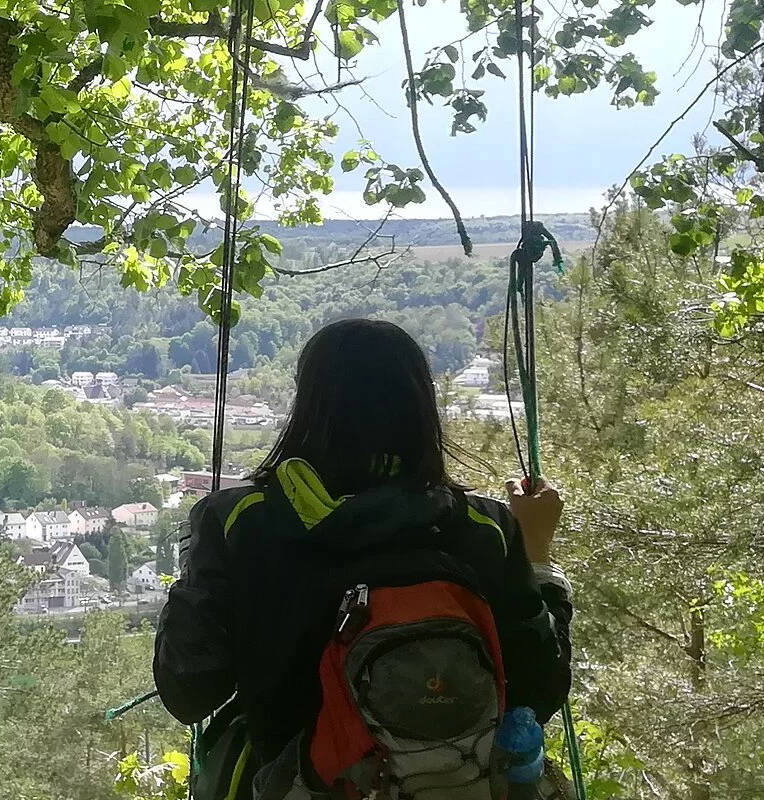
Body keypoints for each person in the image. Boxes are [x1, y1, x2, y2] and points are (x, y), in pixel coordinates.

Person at [153, 318, 573, 798]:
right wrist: (538, 554)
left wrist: (195, 573)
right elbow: (539, 689)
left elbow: (188, 691)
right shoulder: (484, 528)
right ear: (421, 406)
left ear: (307, 404)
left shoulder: (240, 522)